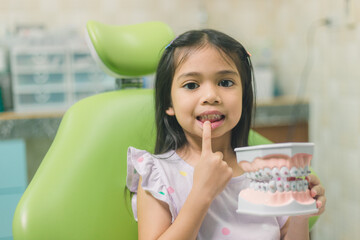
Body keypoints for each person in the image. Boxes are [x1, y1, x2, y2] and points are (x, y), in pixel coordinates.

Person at [126, 29, 326, 240]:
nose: (211, 96)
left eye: (225, 83)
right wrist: (201, 193)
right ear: (168, 103)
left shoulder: (267, 173)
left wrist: (299, 215)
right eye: (191, 85)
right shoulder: (158, 175)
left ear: (244, 95)